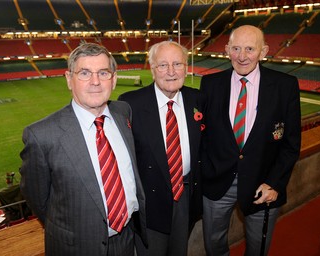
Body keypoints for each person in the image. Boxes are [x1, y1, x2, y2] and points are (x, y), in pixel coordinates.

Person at [19, 43, 147, 256]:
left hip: (128, 239)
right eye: (85, 73)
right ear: (69, 79)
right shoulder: (41, 135)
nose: (95, 82)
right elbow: (38, 201)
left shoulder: (123, 112)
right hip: (77, 247)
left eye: (103, 73)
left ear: (114, 79)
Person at [200, 25, 301, 256]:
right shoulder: (210, 84)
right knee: (213, 245)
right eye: (235, 48)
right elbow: (203, 137)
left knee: (258, 248)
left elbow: (291, 144)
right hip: (217, 184)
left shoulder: (285, 86)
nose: (242, 56)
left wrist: (275, 183)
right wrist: (207, 170)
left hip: (262, 185)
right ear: (226, 50)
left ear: (263, 51)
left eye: (249, 49)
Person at [118, 41, 205, 256]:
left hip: (186, 196)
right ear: (152, 68)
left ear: (186, 67)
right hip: (149, 202)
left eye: (177, 64)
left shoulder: (198, 99)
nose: (171, 72)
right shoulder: (130, 104)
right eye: (163, 65)